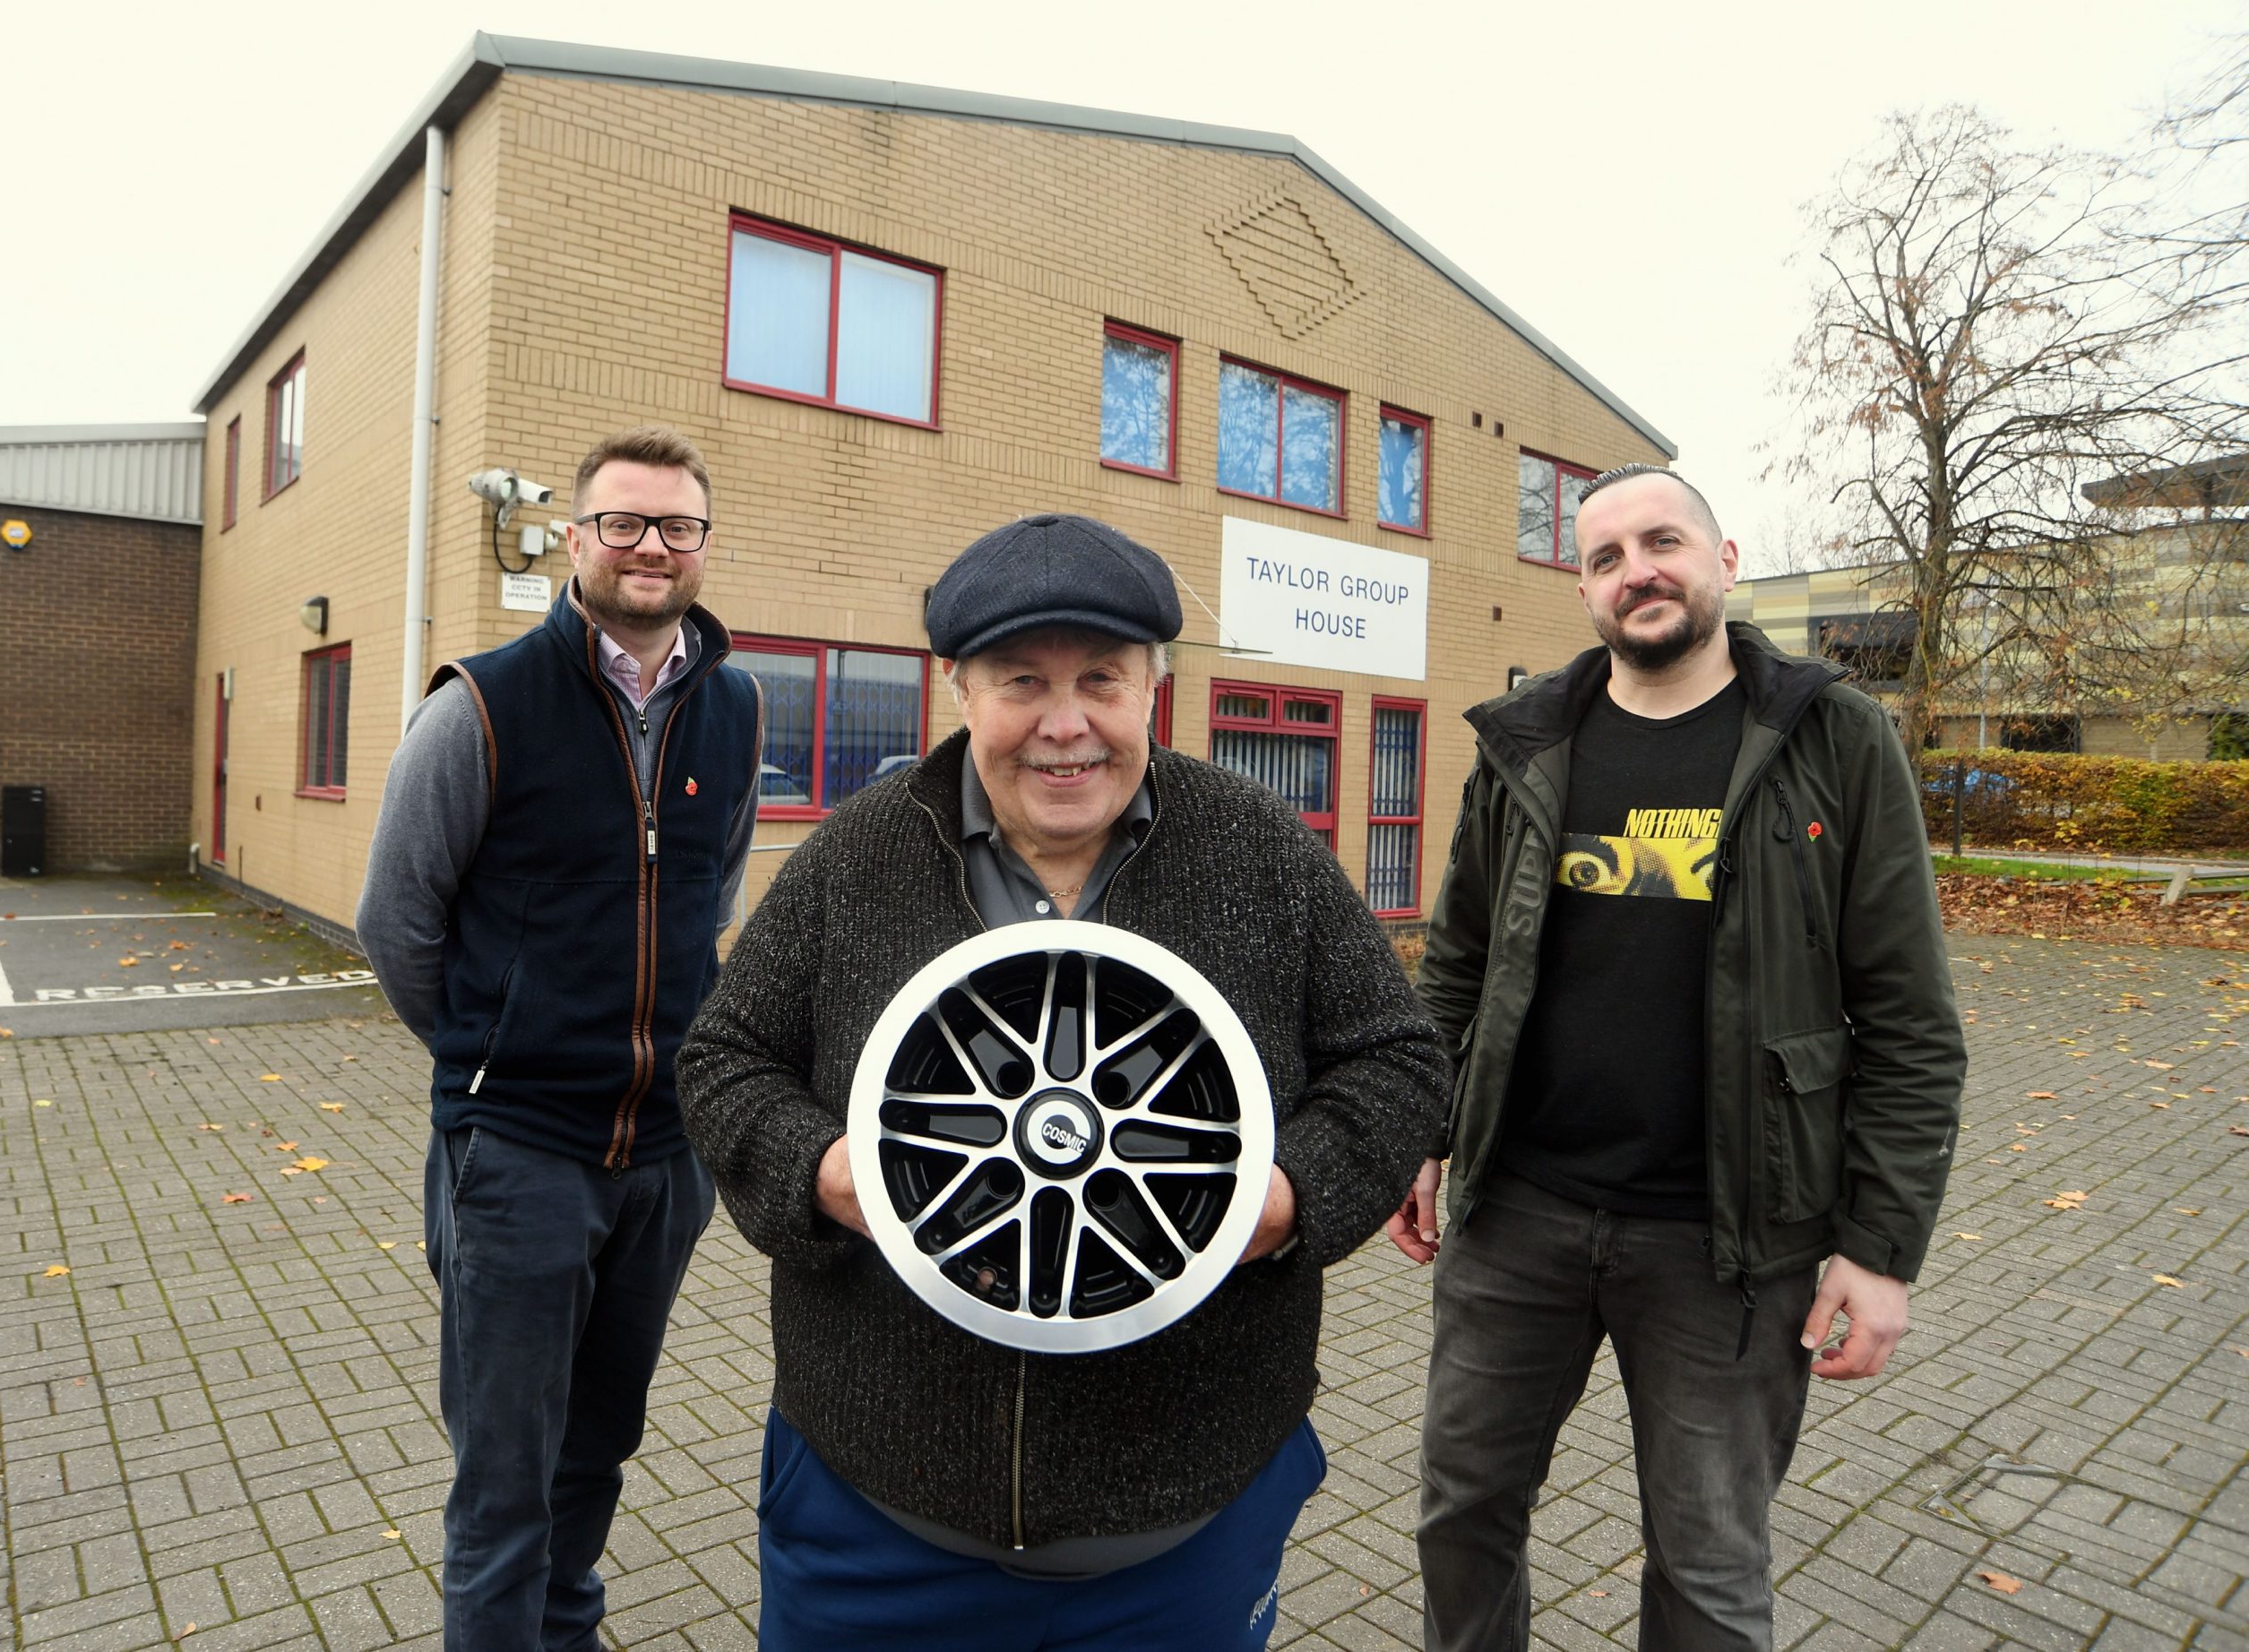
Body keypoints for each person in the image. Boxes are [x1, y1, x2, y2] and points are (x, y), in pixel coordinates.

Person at [676, 512, 1446, 1650]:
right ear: (960, 689)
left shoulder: (1259, 848)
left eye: (1101, 677)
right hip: (875, 1520)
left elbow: (1397, 1057)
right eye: (1022, 681)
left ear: (1154, 685)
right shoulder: (859, 851)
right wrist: (825, 1175)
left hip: (1184, 1524)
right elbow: (723, 1055)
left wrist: (1283, 1204)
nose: (1064, 723)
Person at [1390, 464, 1964, 1651]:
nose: (1635, 571)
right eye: (1604, 558)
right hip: (1519, 1222)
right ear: (1588, 592)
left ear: (1724, 559)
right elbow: (1457, 964)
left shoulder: (1832, 739)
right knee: (1462, 1515)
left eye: (1661, 542)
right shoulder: (1526, 743)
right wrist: (1425, 1132)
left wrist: (1880, 1247)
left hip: (1731, 1241)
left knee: (1709, 1569)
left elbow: (1910, 1021)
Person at [355, 425, 763, 1650]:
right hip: (517, 1155)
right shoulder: (479, 705)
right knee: (505, 1478)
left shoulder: (732, 705)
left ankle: (568, 1630)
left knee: (599, 1445)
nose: (652, 545)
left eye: (677, 524)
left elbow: (717, 894)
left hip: (665, 1158)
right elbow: (397, 922)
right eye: (625, 522)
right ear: (578, 538)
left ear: (701, 544)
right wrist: (491, 1051)